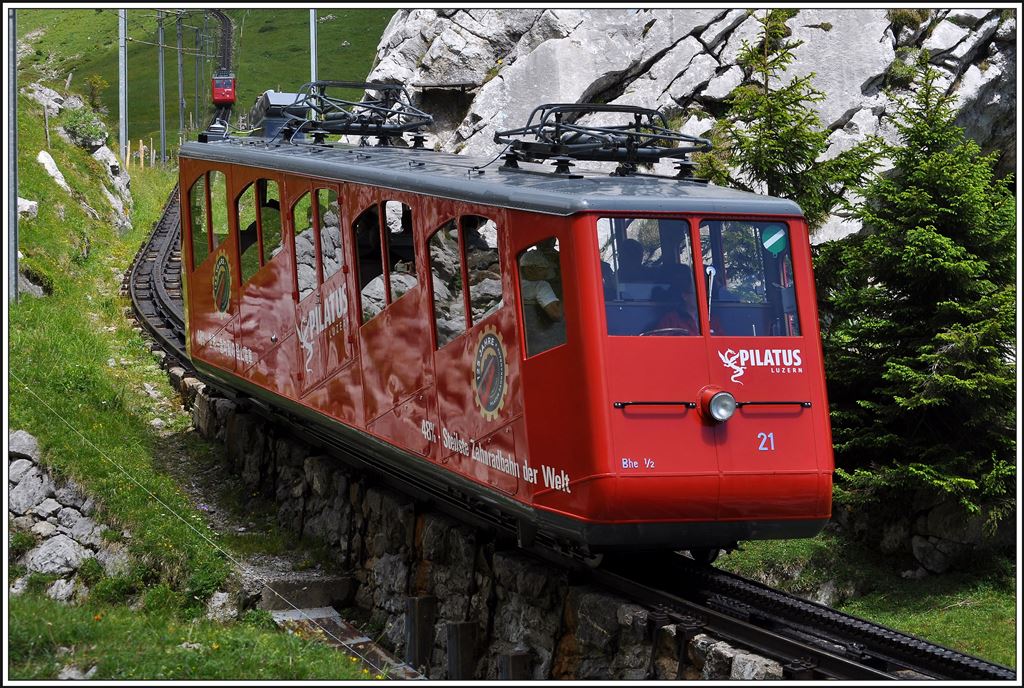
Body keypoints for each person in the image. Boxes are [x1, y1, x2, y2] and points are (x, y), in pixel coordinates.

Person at [652, 264, 699, 335]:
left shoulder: (710, 320)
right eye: (695, 293)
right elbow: (662, 343)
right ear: (685, 296)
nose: (698, 297)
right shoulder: (671, 320)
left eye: (701, 293)